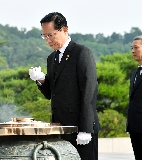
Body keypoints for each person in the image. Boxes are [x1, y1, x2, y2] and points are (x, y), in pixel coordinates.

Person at [29, 12, 99, 160]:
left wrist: (86, 129)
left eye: (51, 35)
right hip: (60, 127)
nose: (48, 40)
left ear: (65, 30)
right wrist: (41, 79)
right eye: (44, 36)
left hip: (80, 127)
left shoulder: (81, 52)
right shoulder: (52, 58)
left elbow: (89, 91)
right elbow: (51, 93)